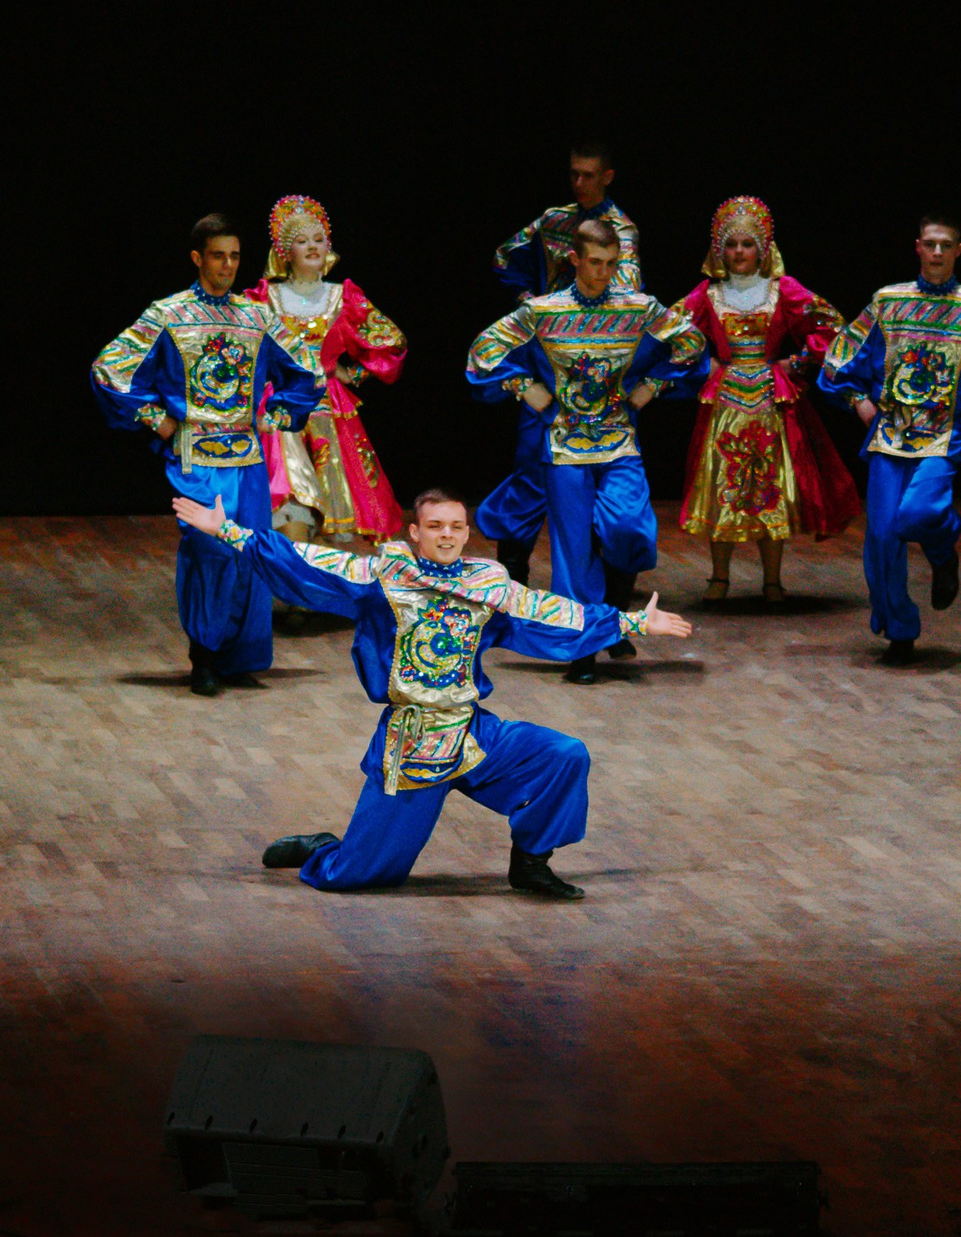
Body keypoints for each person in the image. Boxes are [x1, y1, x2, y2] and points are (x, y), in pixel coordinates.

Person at [173, 486, 695, 899]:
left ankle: (532, 864)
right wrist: (233, 533)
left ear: (467, 532)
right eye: (435, 526)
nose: (446, 535)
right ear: (415, 531)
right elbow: (308, 561)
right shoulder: (385, 573)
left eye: (456, 527)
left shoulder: (489, 582)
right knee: (356, 878)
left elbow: (548, 612)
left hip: (472, 732)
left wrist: (632, 623)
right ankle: (326, 847)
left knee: (563, 755)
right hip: (414, 741)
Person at [466, 219, 707, 682]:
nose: (604, 273)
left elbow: (691, 342)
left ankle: (612, 624)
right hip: (565, 446)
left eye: (612, 264)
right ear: (574, 260)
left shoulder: (636, 307)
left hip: (619, 440)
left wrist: (651, 386)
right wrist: (529, 390)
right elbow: (483, 350)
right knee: (572, 551)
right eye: (595, 263)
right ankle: (583, 650)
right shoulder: (544, 310)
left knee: (630, 528)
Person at [92, 213, 322, 695]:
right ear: (198, 258)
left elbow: (308, 371)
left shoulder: (256, 316)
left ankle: (238, 656)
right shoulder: (169, 314)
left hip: (248, 458)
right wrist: (157, 420)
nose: (228, 265)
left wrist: (276, 417)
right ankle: (204, 654)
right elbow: (110, 368)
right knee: (210, 548)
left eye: (235, 256)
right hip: (194, 457)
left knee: (250, 551)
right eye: (218, 256)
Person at [818, 214, 961, 663]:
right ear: (917, 247)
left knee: (918, 514)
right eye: (930, 244)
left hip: (943, 436)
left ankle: (943, 555)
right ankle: (900, 631)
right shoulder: (888, 302)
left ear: (959, 250)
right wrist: (856, 400)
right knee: (883, 538)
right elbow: (837, 360)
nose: (938, 252)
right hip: (889, 434)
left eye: (947, 245)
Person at [673, 196, 859, 601]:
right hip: (724, 404)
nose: (739, 252)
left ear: (763, 248)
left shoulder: (781, 290)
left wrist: (800, 360)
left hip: (771, 402)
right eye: (732, 244)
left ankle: (772, 580)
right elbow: (670, 331)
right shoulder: (708, 294)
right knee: (722, 486)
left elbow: (831, 325)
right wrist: (702, 363)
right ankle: (718, 577)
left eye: (747, 243)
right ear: (719, 249)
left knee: (770, 489)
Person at [483, 141, 640, 583]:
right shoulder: (554, 219)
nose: (579, 182)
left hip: (599, 368)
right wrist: (527, 299)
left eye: (589, 175)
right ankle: (512, 581)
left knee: (605, 479)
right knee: (532, 464)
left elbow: (625, 297)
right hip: (548, 358)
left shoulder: (621, 231)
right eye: (574, 173)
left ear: (607, 176)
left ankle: (608, 593)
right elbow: (503, 255)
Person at [245, 195, 410, 547]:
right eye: (302, 241)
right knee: (287, 483)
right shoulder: (264, 298)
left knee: (336, 482)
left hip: (327, 403)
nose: (313, 247)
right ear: (285, 252)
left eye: (319, 240)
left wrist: (354, 374)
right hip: (280, 403)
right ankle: (289, 570)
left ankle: (324, 574)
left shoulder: (342, 297)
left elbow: (391, 341)